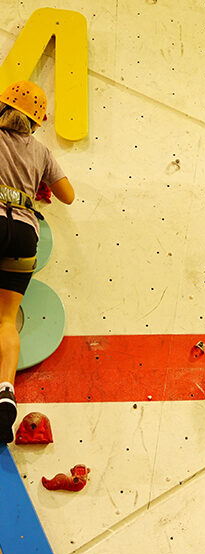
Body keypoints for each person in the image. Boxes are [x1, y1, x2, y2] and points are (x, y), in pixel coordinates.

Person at [0, 80, 74, 443]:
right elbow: (68, 195)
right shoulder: (42, 152)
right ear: (37, 120)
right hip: (24, 235)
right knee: (5, 320)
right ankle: (5, 395)